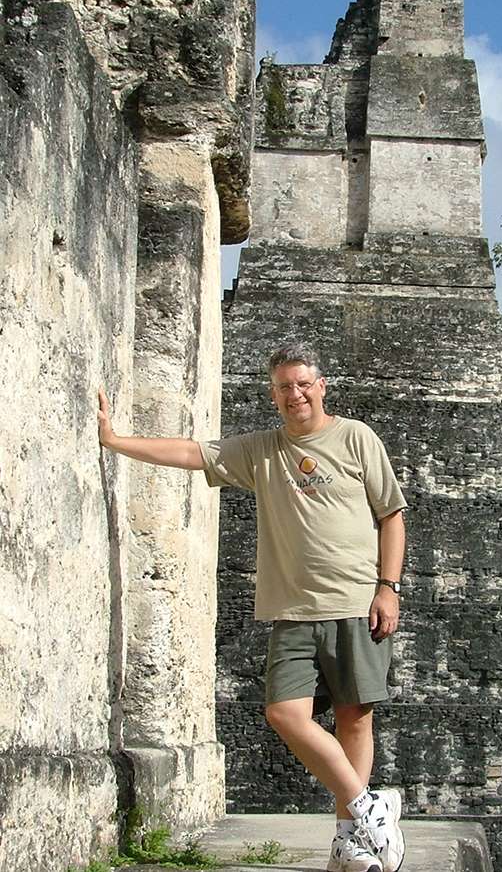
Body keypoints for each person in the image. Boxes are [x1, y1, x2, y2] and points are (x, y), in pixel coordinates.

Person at [97, 341, 407, 872]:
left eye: (303, 383)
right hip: (291, 611)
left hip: (356, 602)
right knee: (285, 713)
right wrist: (114, 441)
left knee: (355, 721)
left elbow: (392, 514)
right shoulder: (262, 449)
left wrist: (389, 587)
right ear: (273, 394)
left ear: (321, 385)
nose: (295, 394)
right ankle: (367, 806)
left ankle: (350, 841)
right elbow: (192, 453)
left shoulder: (356, 437)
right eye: (284, 386)